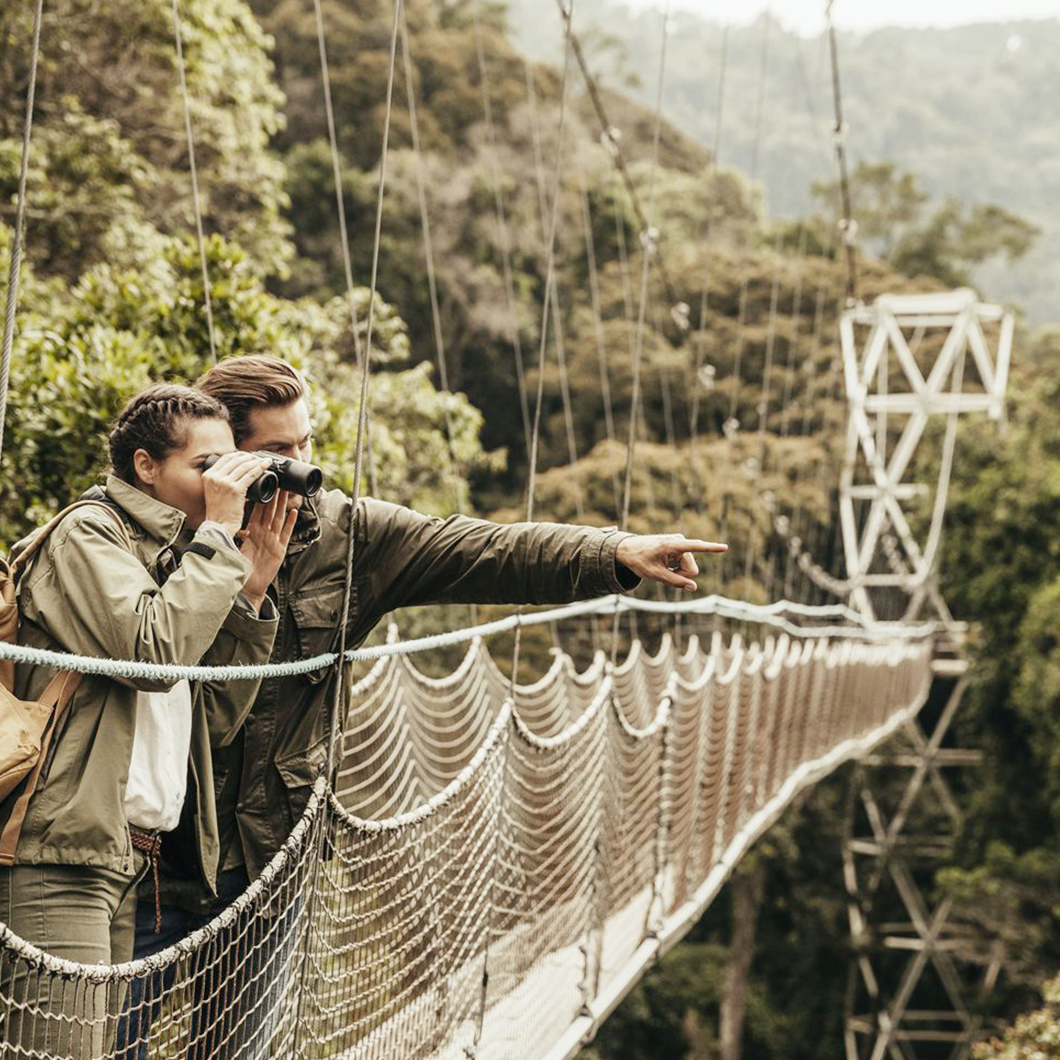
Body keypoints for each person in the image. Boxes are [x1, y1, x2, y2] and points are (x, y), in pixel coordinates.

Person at [130, 355, 725, 1054]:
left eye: (306, 446)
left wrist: (618, 552)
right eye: (275, 453)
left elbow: (485, 549)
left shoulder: (347, 537)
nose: (299, 469)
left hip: (268, 853)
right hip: (154, 859)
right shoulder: (147, 531)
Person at [0, 384, 294, 1056]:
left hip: (130, 857)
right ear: (144, 466)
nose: (224, 481)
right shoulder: (89, 532)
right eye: (205, 466)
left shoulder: (180, 558)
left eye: (232, 464)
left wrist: (248, 595)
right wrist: (220, 537)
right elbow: (150, 655)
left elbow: (206, 721)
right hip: (60, 850)